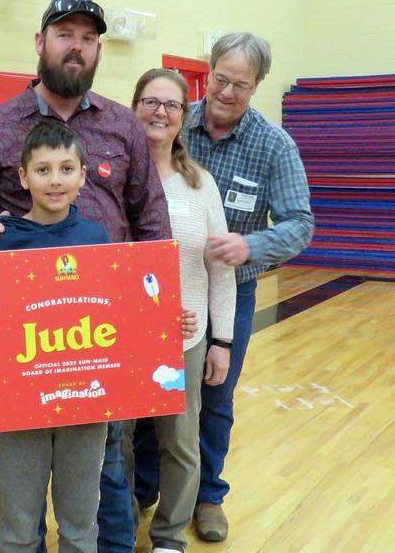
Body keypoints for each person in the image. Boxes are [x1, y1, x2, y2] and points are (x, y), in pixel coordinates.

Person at [0, 0, 181, 553]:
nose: (77, 47)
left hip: (100, 338)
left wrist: (160, 309)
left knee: (107, 469)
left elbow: (150, 218)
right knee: (24, 492)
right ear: (41, 43)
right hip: (28, 345)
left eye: (88, 38)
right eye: (65, 35)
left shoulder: (123, 126)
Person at [131, 33, 315, 543]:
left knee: (212, 397)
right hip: (154, 293)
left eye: (241, 84)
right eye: (221, 79)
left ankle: (207, 496)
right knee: (148, 402)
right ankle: (147, 488)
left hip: (229, 288)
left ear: (257, 87)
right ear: (207, 74)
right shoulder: (173, 117)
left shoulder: (274, 145)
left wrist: (251, 245)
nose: (227, 92)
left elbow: (301, 223)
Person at [121, 69, 236, 553]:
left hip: (184, 337)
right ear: (134, 108)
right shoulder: (108, 179)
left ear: (183, 116)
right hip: (118, 337)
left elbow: (219, 268)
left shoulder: (200, 185)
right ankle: (119, 526)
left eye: (171, 105)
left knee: (181, 444)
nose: (160, 112)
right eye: (150, 101)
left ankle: (168, 536)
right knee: (117, 444)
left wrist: (222, 341)